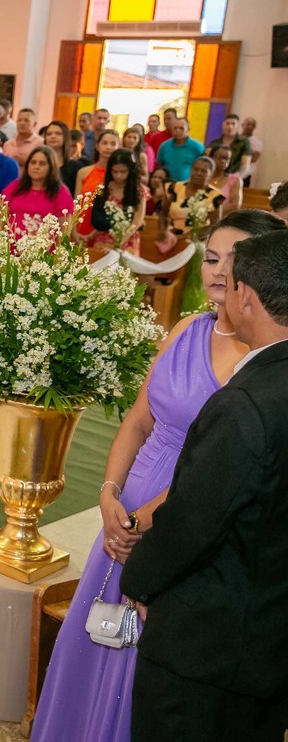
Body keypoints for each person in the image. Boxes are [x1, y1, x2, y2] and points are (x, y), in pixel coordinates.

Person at [32, 210, 288, 742]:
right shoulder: (186, 329)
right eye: (211, 258)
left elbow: (222, 478)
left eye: (235, 261)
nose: (220, 272)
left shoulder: (261, 360)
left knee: (151, 662)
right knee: (99, 636)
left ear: (259, 278)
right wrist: (110, 494)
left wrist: (143, 521)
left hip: (175, 523)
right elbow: (138, 419)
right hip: (128, 510)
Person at [120, 228, 288, 742]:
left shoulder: (243, 403)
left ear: (246, 297)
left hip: (206, 647)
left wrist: (139, 580)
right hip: (270, 637)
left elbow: (194, 521)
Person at [167, 157, 226, 313]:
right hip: (173, 240)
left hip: (197, 242)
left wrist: (194, 236)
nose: (198, 173)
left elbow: (215, 225)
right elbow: (163, 214)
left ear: (211, 174)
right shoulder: (175, 187)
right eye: (196, 169)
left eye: (204, 171)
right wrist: (163, 231)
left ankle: (190, 309)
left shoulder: (215, 195)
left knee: (193, 271)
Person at [80, 149, 148, 255]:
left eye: (123, 171)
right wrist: (91, 235)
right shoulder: (104, 189)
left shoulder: (138, 191)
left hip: (127, 238)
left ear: (131, 170)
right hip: (103, 239)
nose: (118, 176)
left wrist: (118, 244)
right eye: (115, 172)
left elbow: (137, 221)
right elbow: (103, 219)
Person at [1, 146, 74, 237]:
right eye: (33, 162)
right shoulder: (16, 186)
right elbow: (0, 219)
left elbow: (64, 231)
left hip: (44, 245)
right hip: (10, 244)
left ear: (51, 167)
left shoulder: (61, 191)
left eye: (42, 164)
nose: (36, 167)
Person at [74, 129, 120, 240]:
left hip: (106, 232)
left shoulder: (118, 175)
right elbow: (76, 204)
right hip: (82, 227)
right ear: (97, 146)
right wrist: (73, 231)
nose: (108, 147)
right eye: (104, 143)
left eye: (113, 144)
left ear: (118, 147)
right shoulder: (83, 172)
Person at [155, 118, 205, 183]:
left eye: (181, 128)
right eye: (175, 128)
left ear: (188, 129)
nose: (177, 130)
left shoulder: (197, 147)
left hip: (188, 185)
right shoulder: (164, 146)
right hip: (167, 184)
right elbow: (159, 165)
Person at [42, 120, 86, 192]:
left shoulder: (75, 167)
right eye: (49, 134)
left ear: (66, 137)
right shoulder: (38, 164)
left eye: (58, 133)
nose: (53, 136)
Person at [206, 144, 242, 214]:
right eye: (220, 157)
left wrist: (211, 212)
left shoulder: (234, 180)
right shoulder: (203, 176)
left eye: (226, 158)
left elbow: (235, 205)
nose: (223, 161)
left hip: (223, 217)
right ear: (212, 157)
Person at [240, 116, 261, 186]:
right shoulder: (235, 139)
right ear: (242, 125)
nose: (250, 127)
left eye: (252, 125)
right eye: (248, 124)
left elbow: (254, 159)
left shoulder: (257, 142)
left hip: (245, 175)